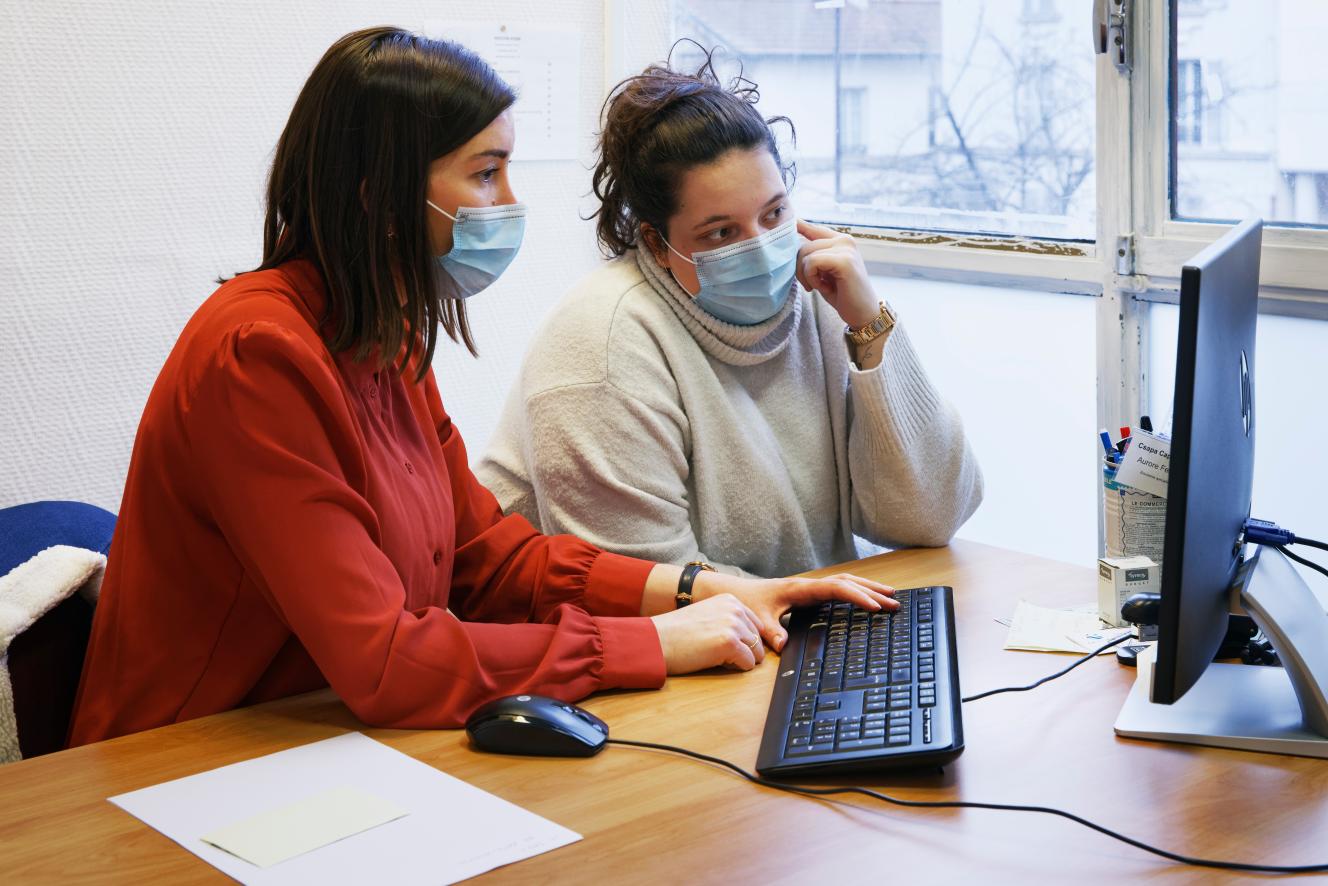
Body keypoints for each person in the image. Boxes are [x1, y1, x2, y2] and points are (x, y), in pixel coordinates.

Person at [68, 29, 896, 746]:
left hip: (327, 736)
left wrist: (697, 589)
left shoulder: (379, 334)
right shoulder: (257, 356)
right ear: (380, 199)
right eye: (487, 173)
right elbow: (384, 660)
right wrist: (652, 645)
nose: (510, 202)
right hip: (188, 764)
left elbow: (483, 559)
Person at [477, 54, 983, 579]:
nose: (764, 251)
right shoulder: (601, 345)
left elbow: (930, 519)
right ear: (656, 241)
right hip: (639, 647)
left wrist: (869, 326)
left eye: (774, 214)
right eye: (721, 233)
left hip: (784, 627)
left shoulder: (820, 295)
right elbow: (648, 593)